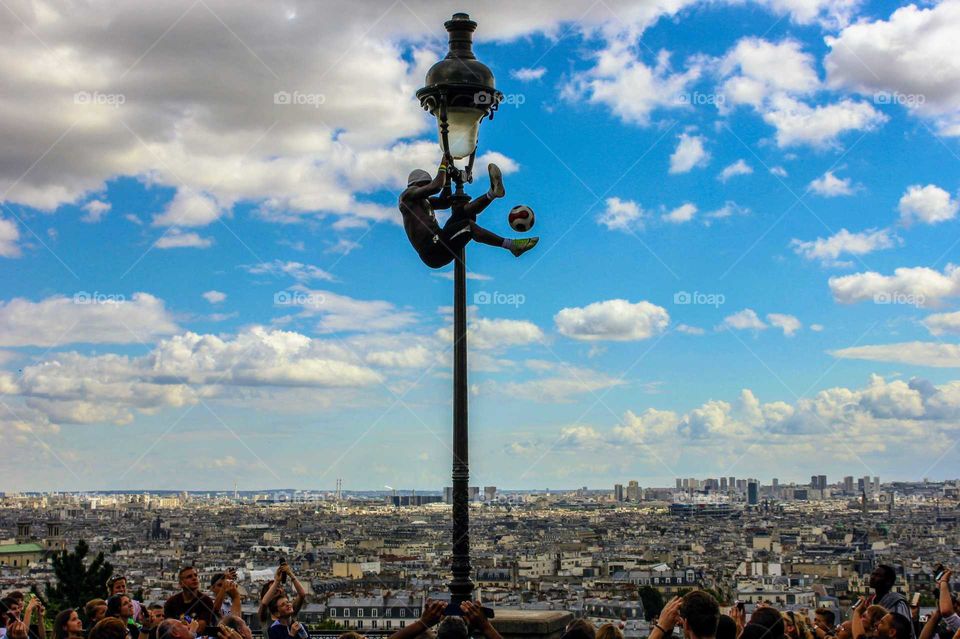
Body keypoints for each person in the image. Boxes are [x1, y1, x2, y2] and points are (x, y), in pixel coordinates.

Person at [399, 156, 539, 269]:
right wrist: (443, 164)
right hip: (432, 250)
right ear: (419, 184)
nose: (427, 191)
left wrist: (447, 178)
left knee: (462, 212)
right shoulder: (407, 196)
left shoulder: (424, 201)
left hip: (439, 239)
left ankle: (492, 193)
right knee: (468, 226)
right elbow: (436, 187)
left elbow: (445, 201)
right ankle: (511, 246)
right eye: (426, 186)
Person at [163, 567, 215, 635]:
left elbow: (199, 629)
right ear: (181, 584)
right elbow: (169, 629)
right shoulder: (171, 602)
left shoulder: (206, 601)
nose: (194, 578)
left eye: (195, 575)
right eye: (189, 577)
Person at [871, 566, 914, 639]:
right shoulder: (872, 601)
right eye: (873, 574)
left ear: (888, 581)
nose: (872, 577)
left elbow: (902, 630)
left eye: (878, 575)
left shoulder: (897, 603)